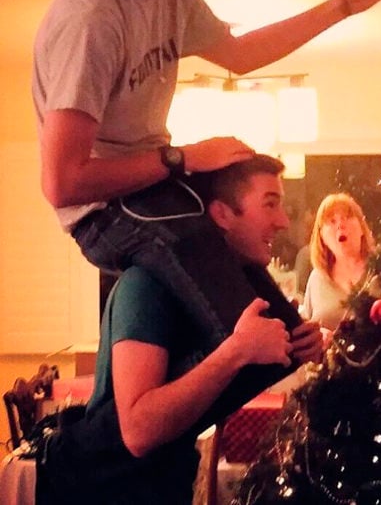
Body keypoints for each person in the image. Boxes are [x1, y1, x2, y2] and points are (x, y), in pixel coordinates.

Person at [31, 0, 381, 351]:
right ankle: (96, 434)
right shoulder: (92, 18)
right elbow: (62, 184)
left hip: (152, 186)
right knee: (259, 350)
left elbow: (241, 52)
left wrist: (346, 3)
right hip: (102, 212)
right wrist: (182, 158)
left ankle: (288, 342)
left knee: (273, 296)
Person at [36, 154, 323, 504]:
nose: (282, 221)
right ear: (221, 215)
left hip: (163, 484)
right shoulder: (147, 285)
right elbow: (138, 431)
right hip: (101, 490)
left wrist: (298, 346)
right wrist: (236, 351)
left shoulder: (218, 297)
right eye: (270, 204)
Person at [303, 193, 375, 346]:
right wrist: (318, 336)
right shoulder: (317, 278)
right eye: (332, 221)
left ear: (362, 229)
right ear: (321, 236)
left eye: (347, 217)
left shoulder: (380, 270)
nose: (340, 225)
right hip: (328, 367)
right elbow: (306, 331)